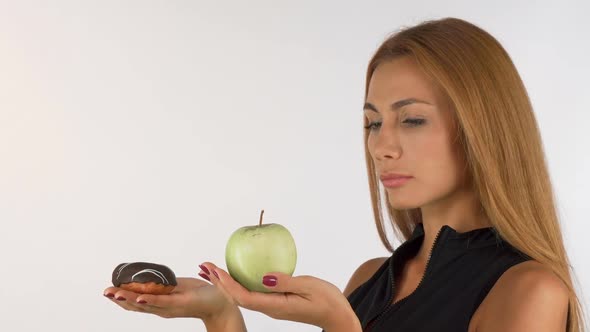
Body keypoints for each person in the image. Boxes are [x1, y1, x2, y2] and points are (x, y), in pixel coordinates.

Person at [103, 17, 585, 332]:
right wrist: (220, 313)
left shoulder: (528, 290)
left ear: (485, 128)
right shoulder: (371, 278)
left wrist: (341, 327)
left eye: (411, 119)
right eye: (373, 122)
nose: (381, 145)